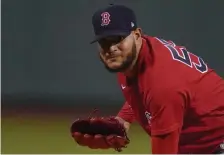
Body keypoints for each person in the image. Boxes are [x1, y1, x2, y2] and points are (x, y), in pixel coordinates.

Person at [90, 4, 224, 154]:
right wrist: (123, 120)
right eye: (104, 42)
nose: (112, 48)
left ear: (137, 35)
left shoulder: (163, 85)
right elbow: (142, 89)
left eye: (117, 39)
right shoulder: (132, 59)